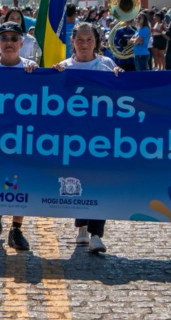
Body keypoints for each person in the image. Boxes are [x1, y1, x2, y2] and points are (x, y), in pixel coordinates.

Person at [53, 22, 122, 254]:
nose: (84, 44)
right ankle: (81, 226)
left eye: (89, 40)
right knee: (78, 179)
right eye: (80, 40)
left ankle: (96, 234)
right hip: (73, 137)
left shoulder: (107, 65)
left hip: (101, 135)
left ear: (96, 42)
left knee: (99, 180)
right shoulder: (63, 67)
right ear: (72, 41)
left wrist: (120, 77)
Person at [0, 22, 37, 251]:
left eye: (14, 38)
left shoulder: (32, 69)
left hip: (23, 137)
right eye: (4, 38)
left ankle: (16, 229)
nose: (9, 43)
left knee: (19, 180)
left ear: (21, 43)